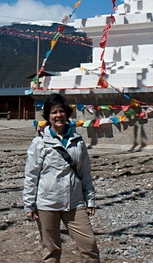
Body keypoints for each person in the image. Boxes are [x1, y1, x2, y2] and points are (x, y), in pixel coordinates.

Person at [23, 93, 100, 263]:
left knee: (89, 245)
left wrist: (90, 198)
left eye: (61, 111)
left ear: (67, 113)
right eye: (53, 112)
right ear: (48, 116)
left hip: (75, 202)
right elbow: (31, 175)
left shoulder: (78, 141)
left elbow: (84, 172)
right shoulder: (40, 142)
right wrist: (29, 203)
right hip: (47, 203)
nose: (58, 115)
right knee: (51, 250)